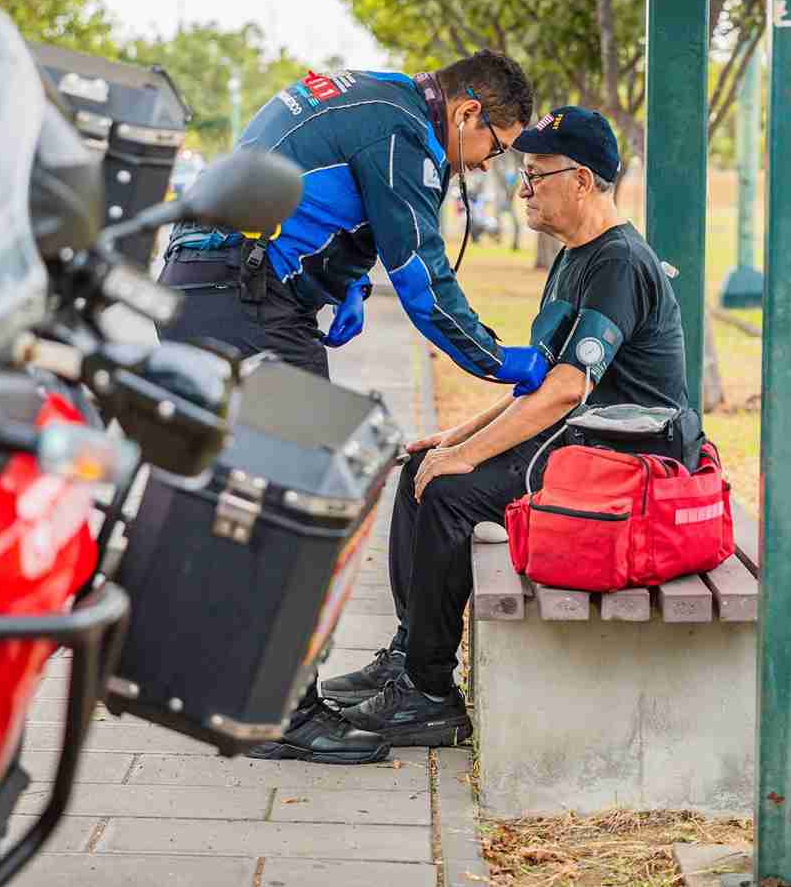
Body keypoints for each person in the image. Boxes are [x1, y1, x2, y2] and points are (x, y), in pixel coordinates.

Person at [154, 51, 550, 765]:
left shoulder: (380, 99)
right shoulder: (398, 133)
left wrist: (341, 286)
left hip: (225, 289)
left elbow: (317, 192)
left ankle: (263, 693)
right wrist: (500, 361)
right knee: (301, 500)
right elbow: (423, 278)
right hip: (240, 299)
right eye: (496, 145)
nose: (489, 164)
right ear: (467, 113)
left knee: (275, 494)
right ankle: (280, 713)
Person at [321, 107, 690, 746]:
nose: (523, 188)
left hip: (630, 465)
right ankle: (410, 658)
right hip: (582, 445)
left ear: (581, 180)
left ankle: (430, 695)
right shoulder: (577, 257)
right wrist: (459, 439)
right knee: (423, 468)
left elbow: (570, 389)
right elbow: (543, 381)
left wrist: (467, 459)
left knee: (447, 494)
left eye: (536, 174)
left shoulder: (619, 262)